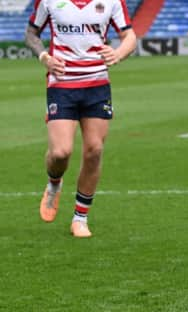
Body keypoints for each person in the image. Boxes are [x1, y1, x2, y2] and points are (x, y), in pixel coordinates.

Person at [25, 0, 137, 238]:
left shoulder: (112, 2)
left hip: (97, 85)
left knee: (94, 150)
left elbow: (130, 36)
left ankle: (80, 218)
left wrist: (118, 54)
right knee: (60, 153)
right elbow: (31, 33)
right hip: (62, 84)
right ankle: (54, 182)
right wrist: (44, 56)